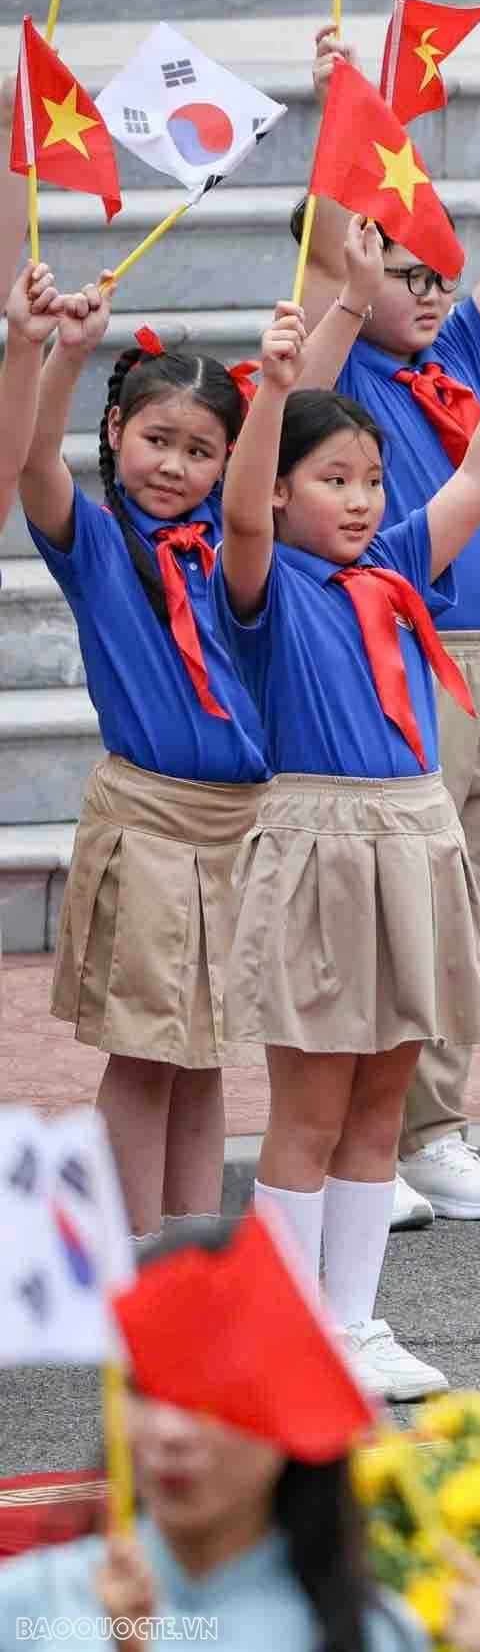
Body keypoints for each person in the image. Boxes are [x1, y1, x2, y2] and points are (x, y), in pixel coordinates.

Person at [209, 233, 480, 1398]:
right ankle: (278, 1325)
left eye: (369, 481)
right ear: (276, 493)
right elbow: (242, 512)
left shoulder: (401, 564)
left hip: (415, 842)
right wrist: (272, 394)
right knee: (308, 1110)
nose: (362, 500)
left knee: (378, 1105)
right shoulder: (262, 582)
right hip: (322, 842)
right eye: (335, 481)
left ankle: (353, 1324)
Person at [294, 23, 480, 1230]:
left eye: (434, 274)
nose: (423, 294)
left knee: (464, 894)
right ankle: (392, 1133)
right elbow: (325, 267)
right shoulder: (338, 369)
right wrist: (341, 112)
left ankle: (438, 1122)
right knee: (396, 900)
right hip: (382, 657)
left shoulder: (465, 348)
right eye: (400, 272)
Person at [5, 264, 262, 1250]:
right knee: (147, 1051)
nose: (175, 465)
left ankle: (194, 1252)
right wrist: (64, 354)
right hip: (150, 823)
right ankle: (127, 1253)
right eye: (158, 439)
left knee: (209, 1054)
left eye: (202, 450)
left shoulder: (246, 547)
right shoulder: (100, 545)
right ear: (116, 436)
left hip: (242, 828)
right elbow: (32, 466)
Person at [0, 1238, 429, 1651]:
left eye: (212, 1395)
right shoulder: (31, 1604)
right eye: (145, 1391)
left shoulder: (370, 1634)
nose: (170, 1433)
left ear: (294, 1410)